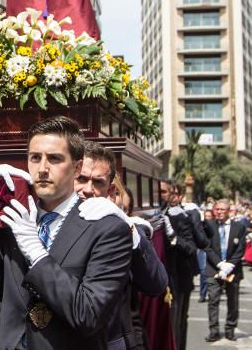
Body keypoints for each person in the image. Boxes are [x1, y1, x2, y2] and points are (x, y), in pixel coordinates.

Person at [0, 116, 133, 350]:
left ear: (76, 167)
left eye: (54, 159)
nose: (42, 169)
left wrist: (36, 252)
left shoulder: (107, 229)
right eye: (35, 158)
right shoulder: (16, 218)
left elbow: (88, 314)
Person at [74, 143, 168, 350]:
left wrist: (128, 227)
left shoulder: (128, 229)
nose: (87, 190)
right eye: (80, 179)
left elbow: (156, 283)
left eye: (97, 182)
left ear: (110, 190)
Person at [160, 179, 204, 349]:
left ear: (172, 195)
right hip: (160, 279)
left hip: (178, 279)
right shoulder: (154, 215)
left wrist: (173, 238)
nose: (159, 194)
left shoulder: (180, 217)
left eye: (163, 191)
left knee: (176, 325)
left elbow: (191, 249)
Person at [204, 198, 246, 342]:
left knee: (233, 302)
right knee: (213, 301)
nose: (219, 212)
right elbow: (207, 247)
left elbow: (240, 250)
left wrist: (229, 266)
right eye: (217, 209)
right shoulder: (209, 225)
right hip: (213, 269)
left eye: (223, 209)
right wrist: (220, 264)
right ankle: (214, 331)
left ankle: (230, 329)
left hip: (233, 271)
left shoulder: (239, 227)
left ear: (229, 211)